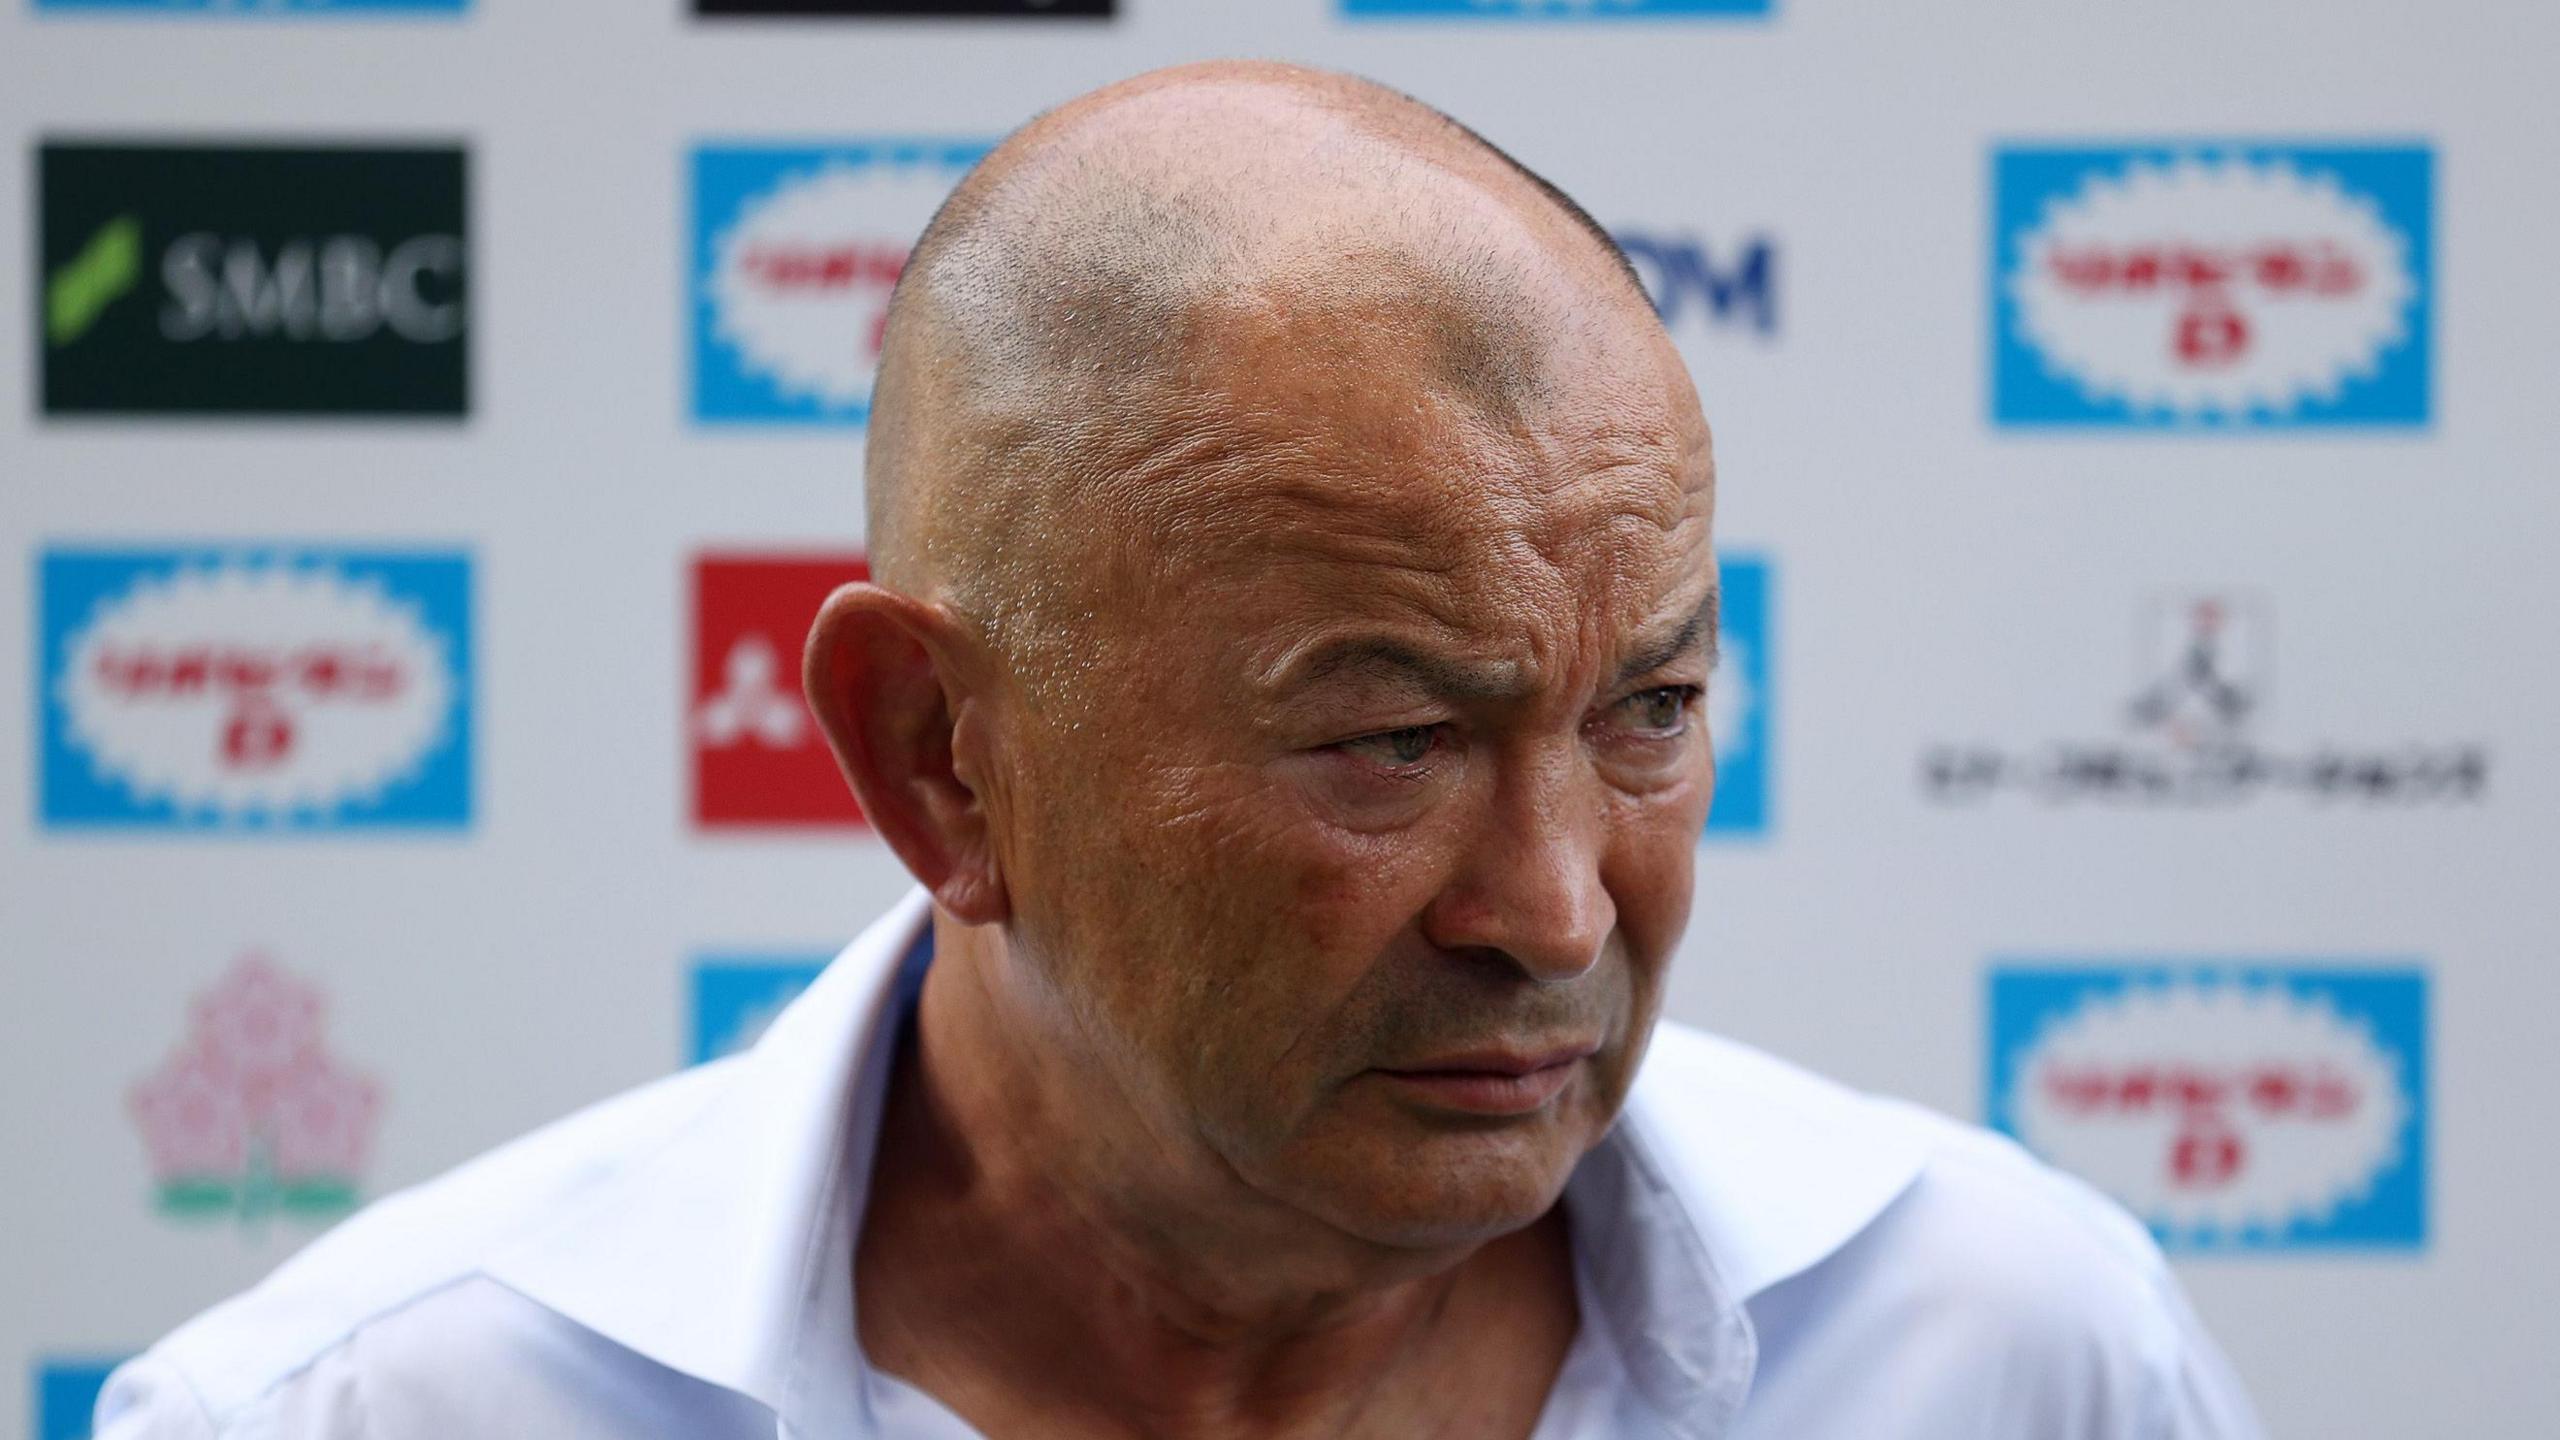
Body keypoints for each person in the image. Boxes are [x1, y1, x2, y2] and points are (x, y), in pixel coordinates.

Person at [98, 61, 2264, 1440]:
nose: (1554, 907)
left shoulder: (2006, 1351)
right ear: (938, 761)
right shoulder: (376, 1414)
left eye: (1651, 712)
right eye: (1392, 740)